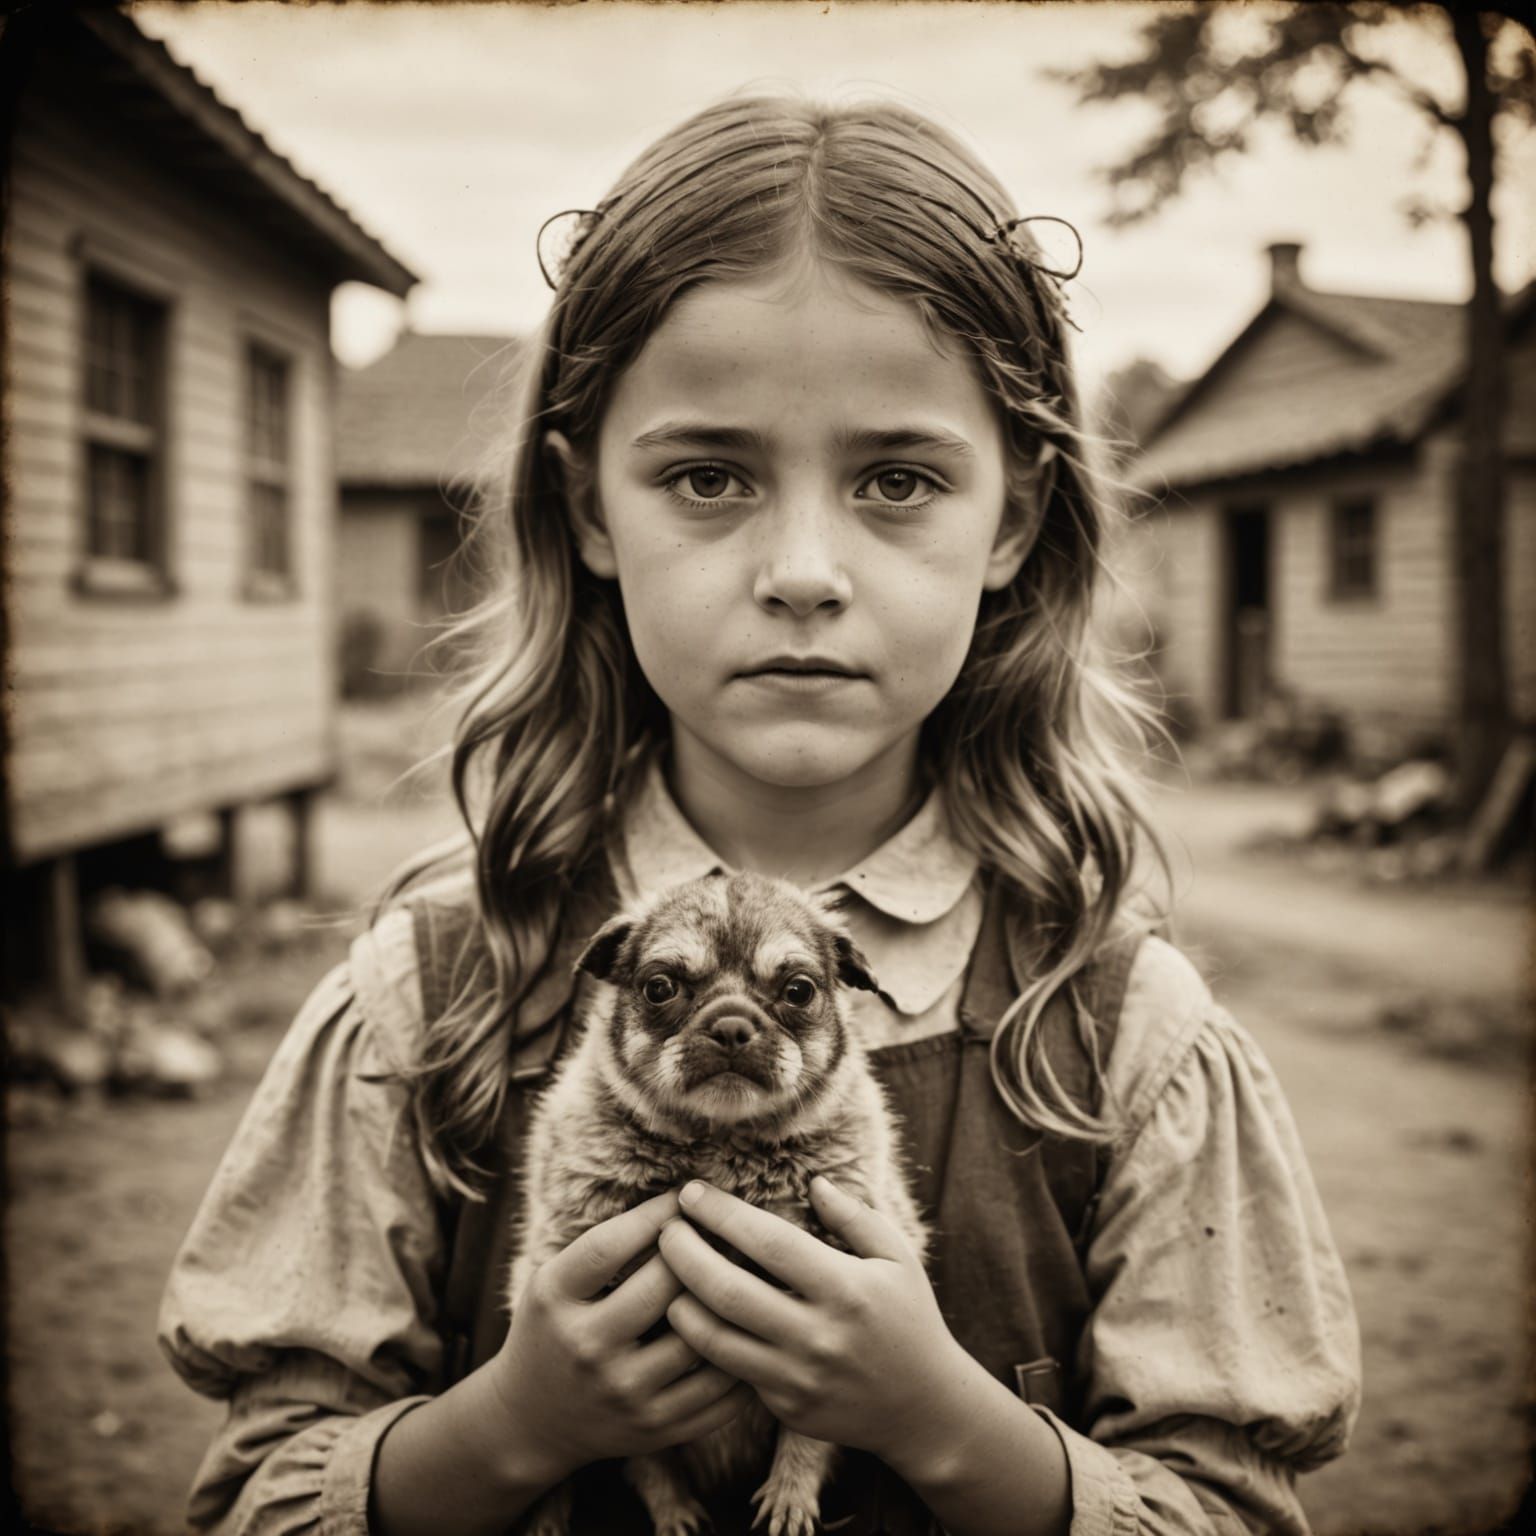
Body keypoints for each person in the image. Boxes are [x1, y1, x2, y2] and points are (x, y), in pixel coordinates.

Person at [159, 94, 1361, 1536]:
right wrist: (514, 1424)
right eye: (709, 476)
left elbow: (1227, 1507)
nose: (802, 569)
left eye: (898, 480)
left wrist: (948, 1424)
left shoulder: (1125, 1041)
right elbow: (255, 1498)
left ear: (1017, 521)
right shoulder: (431, 997)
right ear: (590, 508)